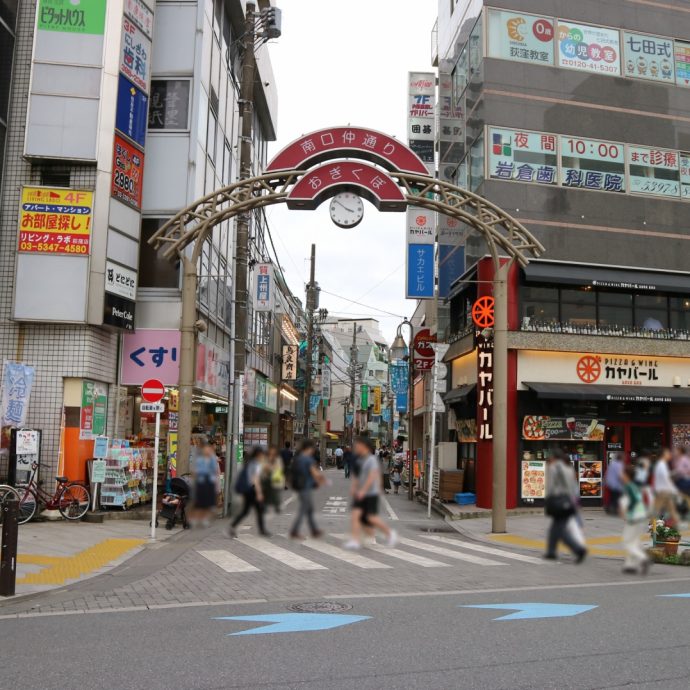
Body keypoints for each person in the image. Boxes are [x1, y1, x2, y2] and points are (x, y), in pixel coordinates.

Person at [344, 436, 398, 550]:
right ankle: (356, 540)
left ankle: (389, 534)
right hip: (360, 493)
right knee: (356, 515)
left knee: (370, 518)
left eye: (358, 446)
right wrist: (354, 488)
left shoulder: (371, 459)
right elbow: (356, 476)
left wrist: (363, 490)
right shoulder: (359, 460)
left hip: (369, 493)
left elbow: (372, 476)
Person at [543, 449, 587, 563]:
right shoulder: (569, 468)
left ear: (554, 458)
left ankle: (579, 550)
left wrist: (548, 500)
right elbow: (572, 486)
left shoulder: (553, 468)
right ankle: (551, 552)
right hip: (567, 501)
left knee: (560, 530)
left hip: (558, 501)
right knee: (554, 528)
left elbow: (551, 486)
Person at [228, 446, 269, 538]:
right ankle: (262, 530)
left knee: (247, 511)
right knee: (258, 509)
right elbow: (255, 479)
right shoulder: (255, 464)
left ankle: (233, 527)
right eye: (262, 454)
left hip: (247, 490)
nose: (263, 456)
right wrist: (259, 493)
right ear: (259, 454)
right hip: (252, 490)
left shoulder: (249, 462)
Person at [290, 440, 326, 539]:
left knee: (309, 510)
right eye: (312, 449)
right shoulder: (307, 459)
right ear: (309, 448)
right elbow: (315, 473)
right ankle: (294, 531)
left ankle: (314, 530)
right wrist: (322, 480)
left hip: (299, 486)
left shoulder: (298, 458)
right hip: (305, 487)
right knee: (303, 510)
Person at [620, 465, 651, 575]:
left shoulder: (628, 486)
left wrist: (627, 513)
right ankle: (630, 565)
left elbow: (632, 500)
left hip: (634, 517)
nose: (621, 475)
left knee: (627, 542)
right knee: (635, 541)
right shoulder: (635, 485)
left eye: (623, 474)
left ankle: (643, 558)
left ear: (627, 475)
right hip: (641, 515)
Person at [191, 442, 220, 527]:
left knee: (208, 502)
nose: (207, 451)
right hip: (201, 481)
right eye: (205, 449)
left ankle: (205, 519)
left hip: (210, 482)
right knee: (199, 501)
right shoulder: (199, 460)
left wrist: (216, 483)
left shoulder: (213, 460)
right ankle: (196, 518)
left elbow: (216, 471)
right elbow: (196, 471)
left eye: (208, 449)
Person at [653, 447, 680, 525]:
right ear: (663, 455)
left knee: (670, 509)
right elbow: (666, 479)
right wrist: (674, 490)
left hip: (663, 491)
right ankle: (653, 526)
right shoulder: (661, 464)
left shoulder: (661, 464)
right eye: (668, 453)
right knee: (657, 510)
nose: (669, 455)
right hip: (663, 492)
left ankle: (676, 524)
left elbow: (665, 477)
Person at [261, 446, 283, 514]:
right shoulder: (265, 458)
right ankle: (265, 507)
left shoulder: (278, 459)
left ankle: (277, 506)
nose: (272, 453)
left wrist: (270, 468)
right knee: (265, 493)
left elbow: (279, 468)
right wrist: (271, 468)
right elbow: (263, 467)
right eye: (271, 451)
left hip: (275, 478)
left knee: (276, 493)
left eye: (274, 451)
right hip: (266, 478)